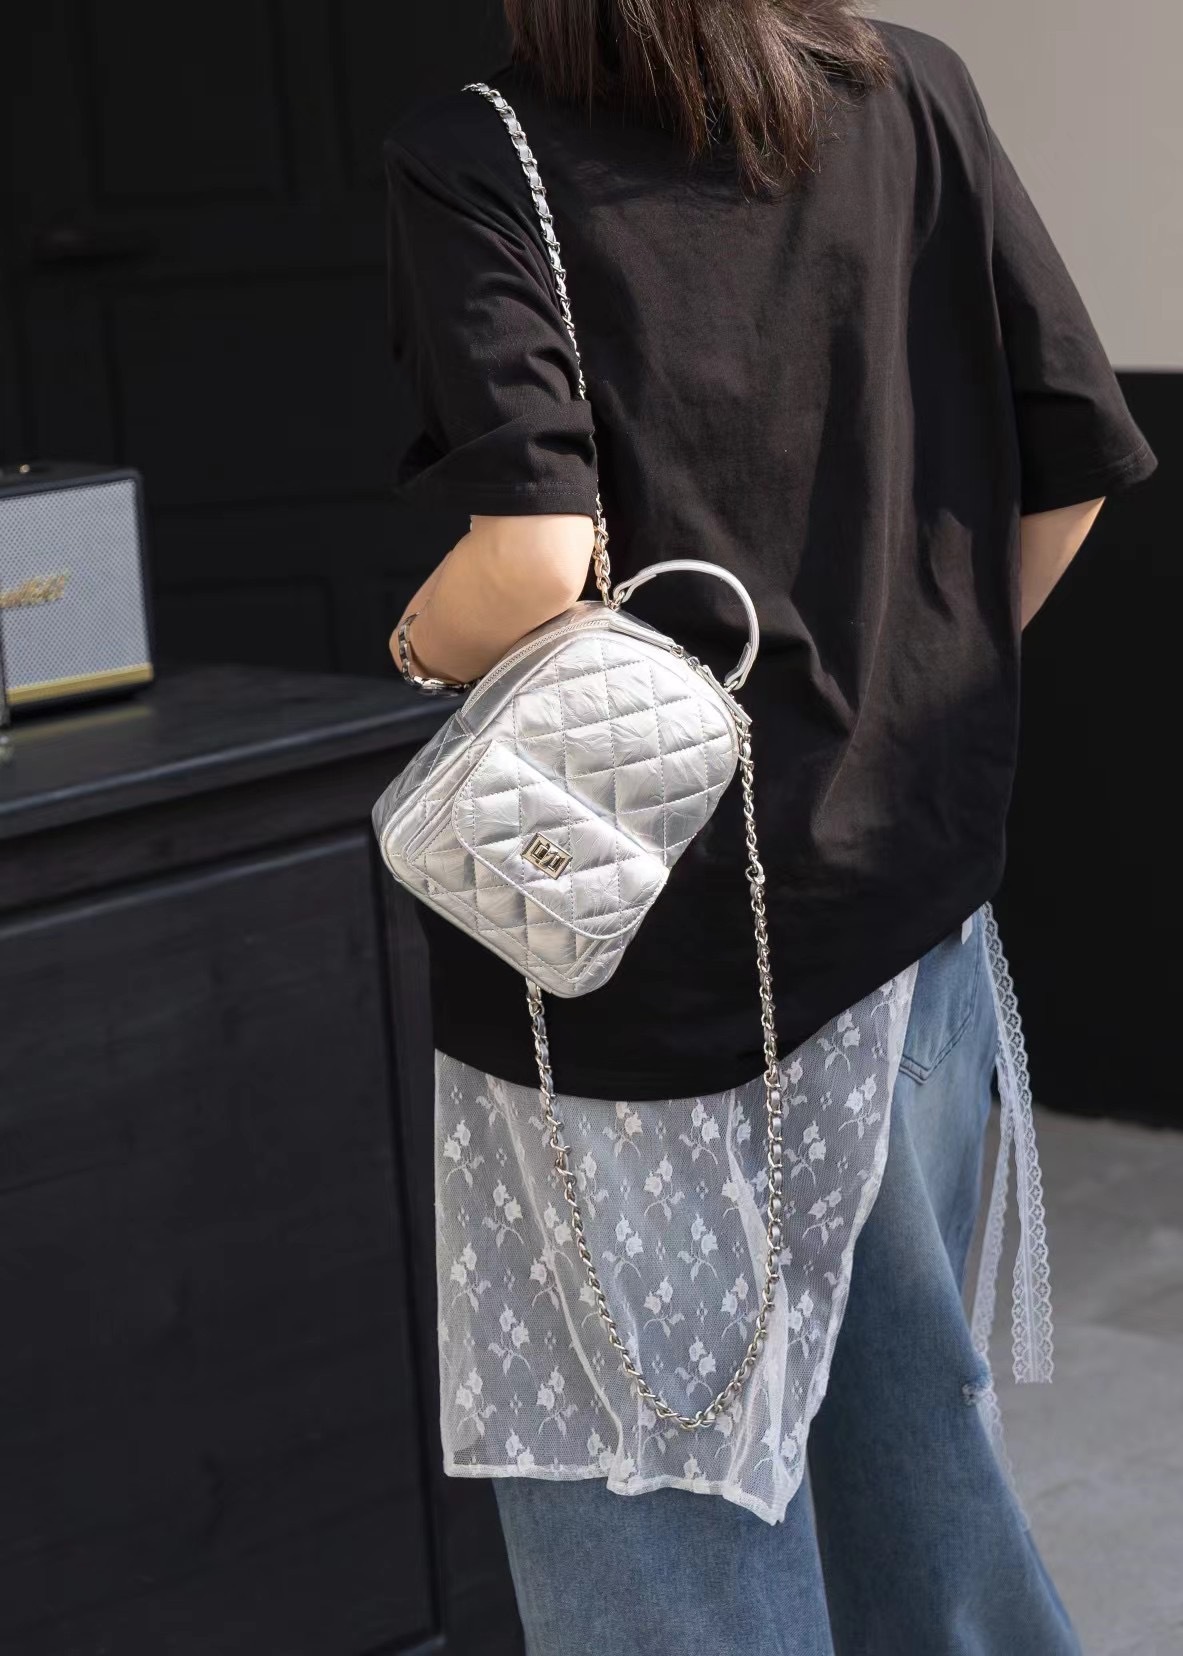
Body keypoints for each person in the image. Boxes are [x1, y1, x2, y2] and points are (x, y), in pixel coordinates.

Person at [383, 4, 1157, 1651]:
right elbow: (1069, 465)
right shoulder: (912, 87)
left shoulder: (484, 152)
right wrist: (907, 701)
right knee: (910, 1453)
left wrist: (417, 644)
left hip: (630, 951)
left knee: (656, 1506)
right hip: (904, 914)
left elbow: (530, 564)